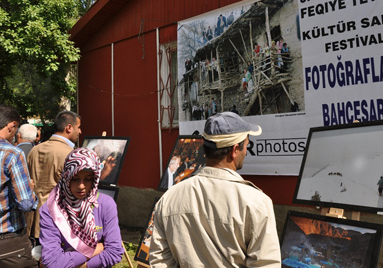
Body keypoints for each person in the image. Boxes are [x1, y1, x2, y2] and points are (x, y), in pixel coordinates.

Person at [149, 112, 281, 267]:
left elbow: (160, 261)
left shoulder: (170, 197)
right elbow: (265, 264)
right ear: (235, 150)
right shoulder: (256, 202)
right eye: (246, 145)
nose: (246, 151)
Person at [39, 148, 124, 268]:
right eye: (75, 179)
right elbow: (53, 263)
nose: (81, 186)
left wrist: (82, 266)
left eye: (88, 179)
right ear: (66, 176)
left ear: (95, 179)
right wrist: (95, 249)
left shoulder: (105, 205)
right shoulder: (51, 209)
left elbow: (114, 253)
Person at [27, 111, 82, 242]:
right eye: (78, 127)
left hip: (32, 219)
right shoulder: (70, 154)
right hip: (54, 221)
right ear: (69, 128)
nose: (80, 132)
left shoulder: (35, 149)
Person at [0, 105, 38, 268]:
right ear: (12, 125)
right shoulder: (12, 153)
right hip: (8, 240)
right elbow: (25, 203)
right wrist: (30, 190)